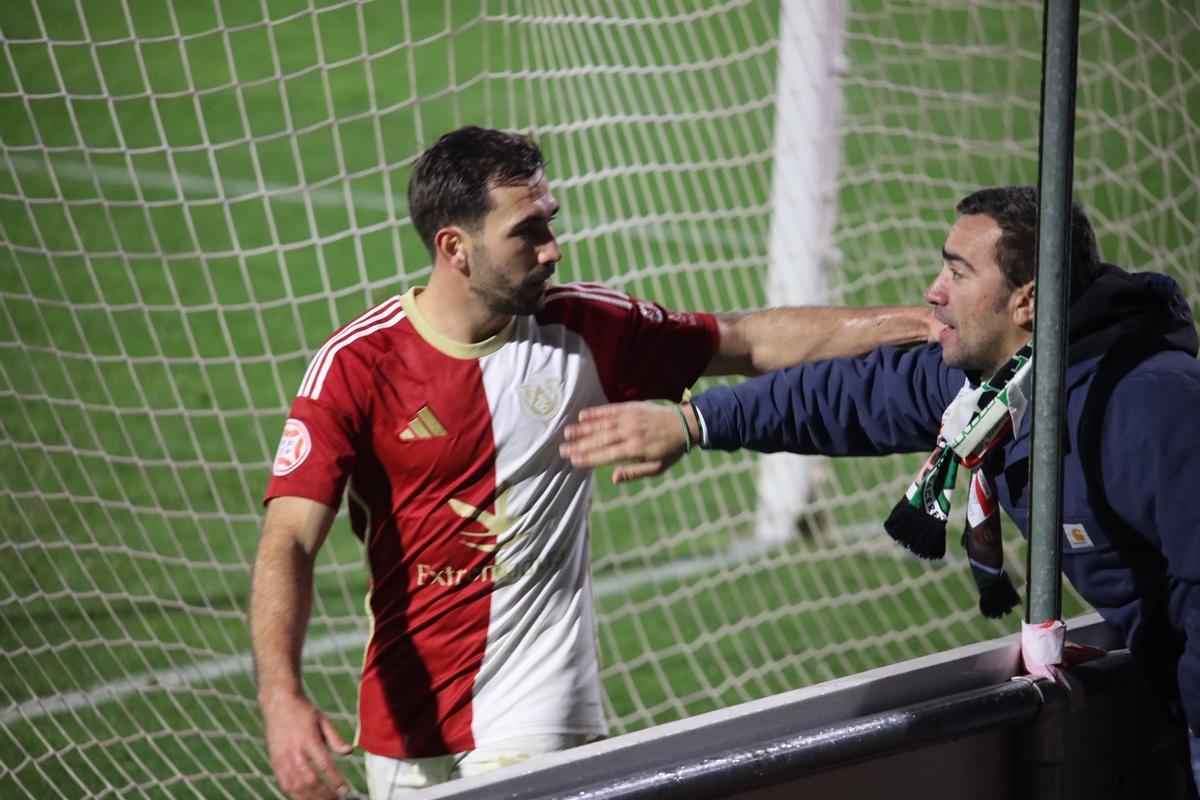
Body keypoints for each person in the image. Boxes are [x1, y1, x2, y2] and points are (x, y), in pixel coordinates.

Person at [249, 125, 942, 800]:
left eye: (550, 221)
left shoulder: (582, 328)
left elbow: (747, 342)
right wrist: (282, 696)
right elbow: (289, 538)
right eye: (527, 231)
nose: (553, 249)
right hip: (403, 719)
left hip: (538, 705)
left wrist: (925, 324)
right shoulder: (356, 365)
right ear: (454, 248)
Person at [560, 185, 1200, 795]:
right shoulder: (997, 388)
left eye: (957, 273)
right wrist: (695, 421)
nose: (933, 292)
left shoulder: (1148, 407)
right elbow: (849, 398)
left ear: (1026, 301)